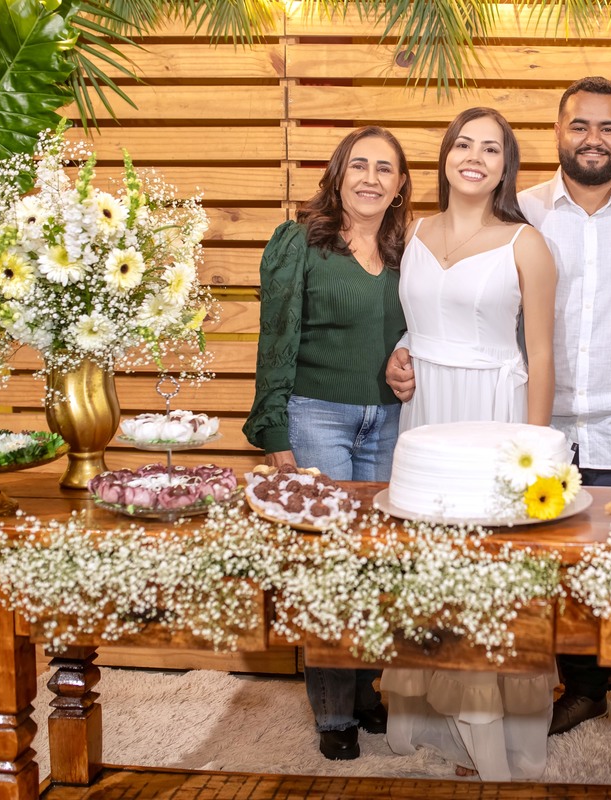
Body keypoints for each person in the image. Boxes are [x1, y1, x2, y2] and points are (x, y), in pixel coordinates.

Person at [389, 77, 611, 770]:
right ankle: (581, 690)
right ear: (556, 133)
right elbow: (452, 302)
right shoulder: (518, 209)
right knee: (545, 575)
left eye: (608, 127)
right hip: (532, 419)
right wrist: (403, 350)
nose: (593, 138)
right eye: (579, 125)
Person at [380, 106, 559, 781]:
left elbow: (542, 355)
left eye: (490, 148)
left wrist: (535, 454)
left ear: (505, 166)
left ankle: (490, 734)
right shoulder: (414, 232)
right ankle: (423, 714)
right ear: (446, 156)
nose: (474, 157)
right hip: (424, 417)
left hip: (493, 416)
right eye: (463, 144)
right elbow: (417, 321)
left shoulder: (526, 244)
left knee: (488, 577)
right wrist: (400, 355)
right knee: (427, 568)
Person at [242, 126, 412, 761]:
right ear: (338, 175)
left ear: (400, 186)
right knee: (330, 568)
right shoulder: (300, 243)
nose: (370, 178)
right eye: (358, 165)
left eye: (384, 168)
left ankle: (366, 693)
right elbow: (275, 338)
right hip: (317, 417)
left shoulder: (409, 251)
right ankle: (335, 711)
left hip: (390, 422)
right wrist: (276, 432)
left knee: (376, 564)